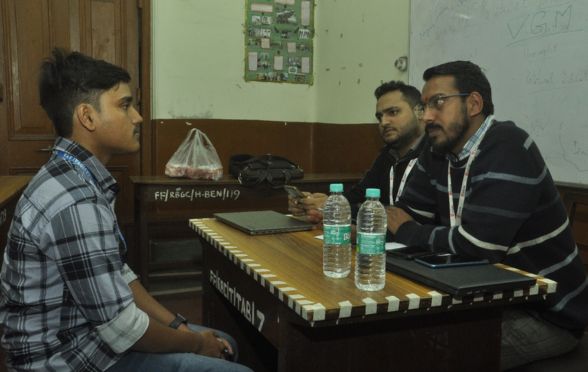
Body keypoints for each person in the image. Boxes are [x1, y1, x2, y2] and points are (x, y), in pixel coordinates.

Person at [0, 49, 251, 372]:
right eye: (124, 105)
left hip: (87, 340)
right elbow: (123, 330)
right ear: (87, 117)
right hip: (65, 361)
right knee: (231, 362)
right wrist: (197, 343)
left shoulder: (75, 175)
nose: (138, 117)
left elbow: (118, 273)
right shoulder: (75, 202)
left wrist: (178, 325)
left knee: (225, 340)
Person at [387, 60, 588, 370]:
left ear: (474, 103)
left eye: (438, 103)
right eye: (425, 106)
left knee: (431, 354)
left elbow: (480, 246)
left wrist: (410, 231)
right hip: (481, 298)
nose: (427, 116)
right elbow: (401, 216)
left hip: (546, 313)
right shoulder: (436, 149)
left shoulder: (509, 147)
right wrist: (404, 227)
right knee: (391, 335)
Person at [289, 81, 427, 224]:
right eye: (379, 117)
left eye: (393, 112)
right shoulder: (388, 155)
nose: (384, 122)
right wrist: (319, 204)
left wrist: (334, 208)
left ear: (420, 112)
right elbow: (357, 196)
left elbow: (409, 215)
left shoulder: (434, 155)